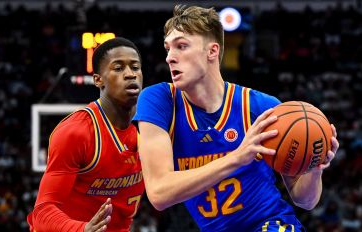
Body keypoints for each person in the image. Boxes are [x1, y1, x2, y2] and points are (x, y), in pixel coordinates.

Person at [134, 5, 339, 232]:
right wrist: (238, 157)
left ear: (212, 51)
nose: (170, 57)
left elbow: (305, 201)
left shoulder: (262, 108)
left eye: (181, 46)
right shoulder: (159, 100)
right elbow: (159, 193)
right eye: (168, 49)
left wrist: (314, 167)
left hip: (271, 224)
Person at [28, 37, 145, 232]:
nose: (130, 74)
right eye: (118, 68)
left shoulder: (152, 127)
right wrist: (82, 229)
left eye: (135, 67)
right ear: (98, 80)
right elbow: (42, 213)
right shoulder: (76, 132)